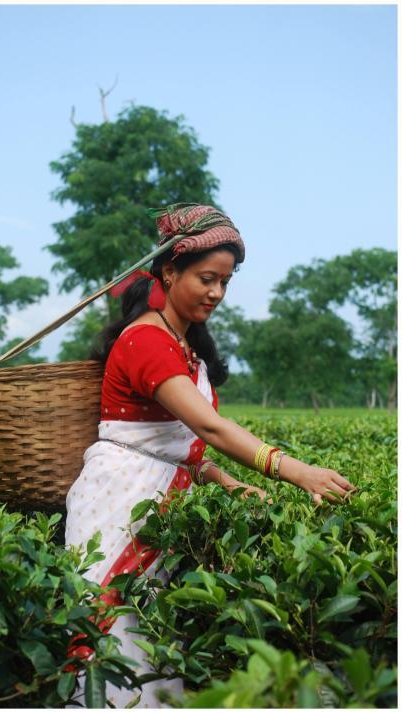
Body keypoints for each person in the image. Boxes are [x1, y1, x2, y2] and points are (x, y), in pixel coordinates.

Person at [65, 203, 356, 708]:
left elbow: (183, 446)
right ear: (170, 271)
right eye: (206, 279)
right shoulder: (146, 341)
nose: (216, 293)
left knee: (155, 643)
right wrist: (297, 471)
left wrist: (222, 482)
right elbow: (208, 426)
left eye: (225, 282)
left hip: (162, 509)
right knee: (114, 637)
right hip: (120, 503)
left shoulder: (184, 346)